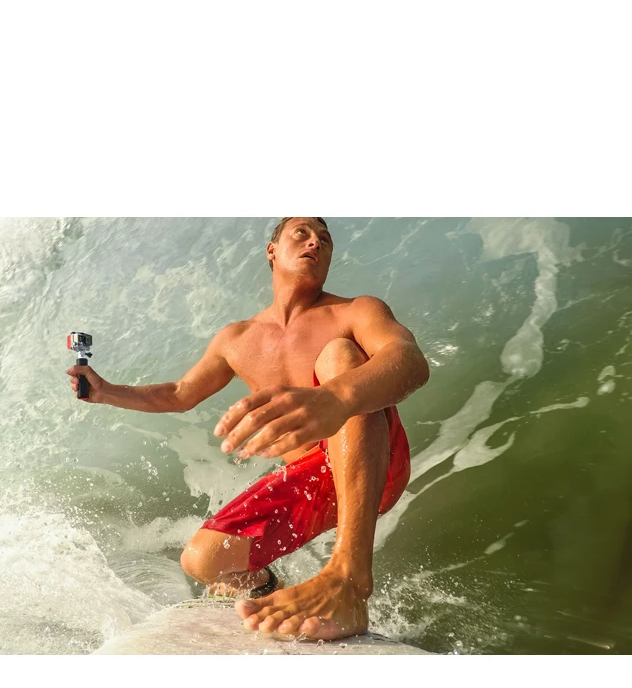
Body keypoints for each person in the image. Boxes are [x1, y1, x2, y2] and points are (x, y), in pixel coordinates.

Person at [66, 218, 429, 640]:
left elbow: (409, 360)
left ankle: (349, 579)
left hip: (376, 459)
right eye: (302, 233)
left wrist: (336, 398)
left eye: (325, 239)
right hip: (313, 482)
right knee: (203, 560)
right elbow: (180, 393)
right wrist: (106, 391)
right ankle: (275, 590)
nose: (315, 242)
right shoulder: (236, 339)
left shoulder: (356, 311)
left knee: (338, 356)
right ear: (272, 250)